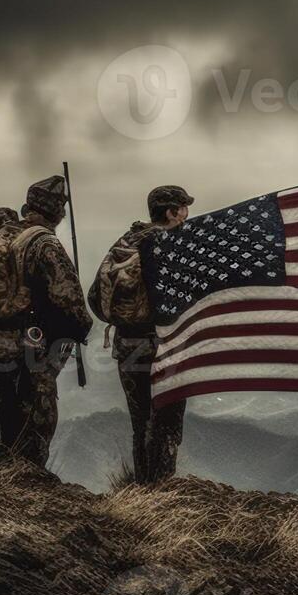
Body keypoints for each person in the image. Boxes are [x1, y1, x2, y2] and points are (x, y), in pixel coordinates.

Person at [0, 177, 90, 465]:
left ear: (27, 205)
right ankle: (26, 491)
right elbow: (70, 300)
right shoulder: (43, 243)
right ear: (59, 213)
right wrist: (78, 329)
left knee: (2, 419)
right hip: (33, 351)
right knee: (34, 426)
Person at [90, 184, 191, 483]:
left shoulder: (125, 242)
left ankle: (141, 487)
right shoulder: (167, 246)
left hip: (126, 344)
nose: (186, 215)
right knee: (167, 424)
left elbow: (96, 297)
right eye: (184, 208)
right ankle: (159, 492)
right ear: (172, 211)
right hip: (162, 346)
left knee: (141, 422)